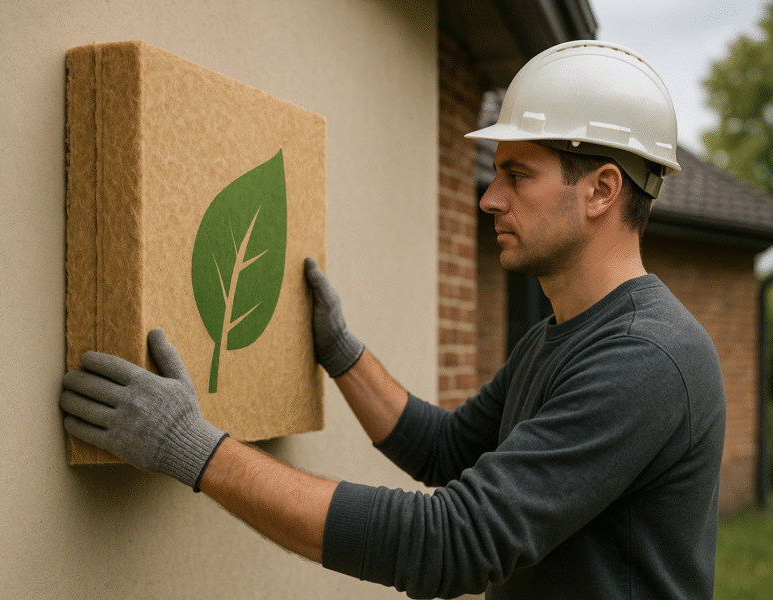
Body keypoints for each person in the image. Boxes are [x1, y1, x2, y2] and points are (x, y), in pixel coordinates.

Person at [60, 41, 726, 599]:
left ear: (602, 190)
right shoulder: (559, 334)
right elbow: (447, 450)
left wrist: (194, 448)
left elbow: (451, 543)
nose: (490, 198)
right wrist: (343, 355)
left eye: (517, 176)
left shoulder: (646, 357)